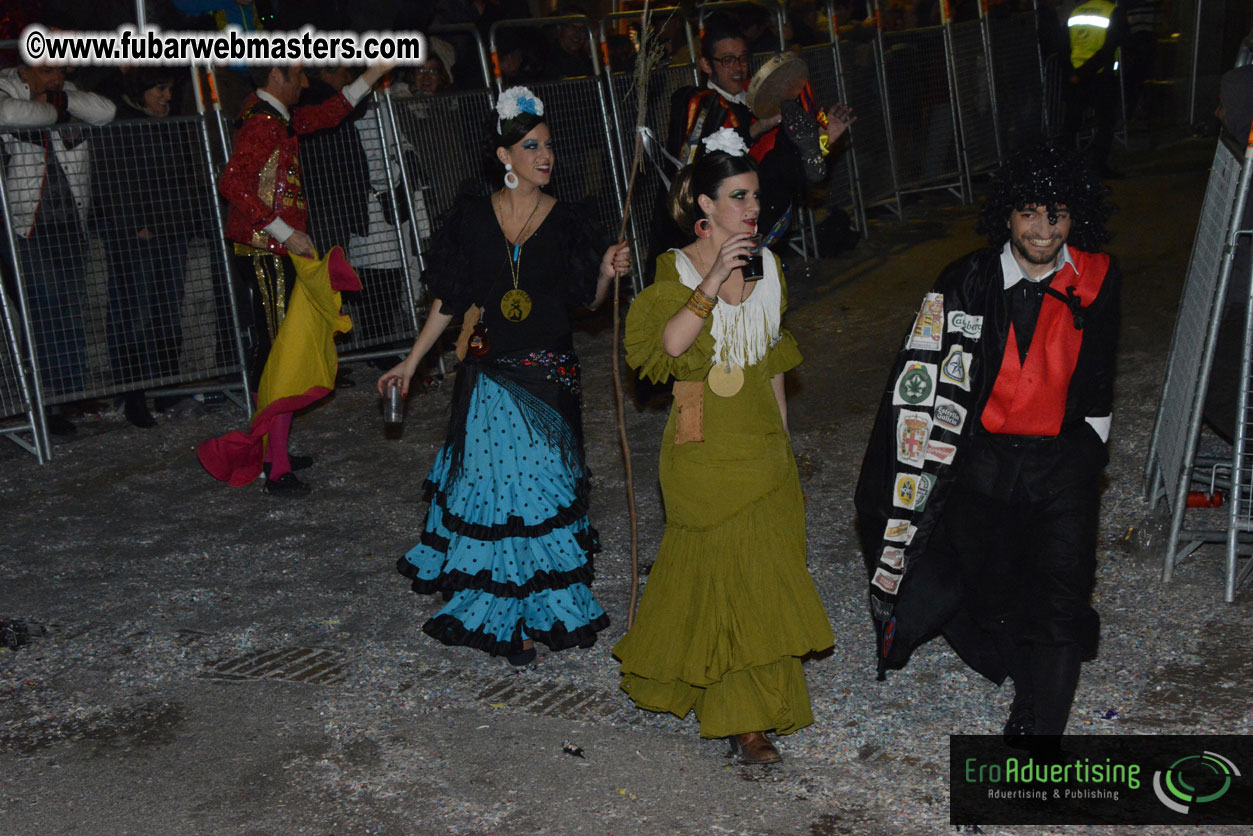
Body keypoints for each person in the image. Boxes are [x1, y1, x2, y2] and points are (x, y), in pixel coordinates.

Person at [854, 146, 1119, 754]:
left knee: (1060, 594)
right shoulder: (966, 278)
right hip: (985, 467)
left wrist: (1089, 455)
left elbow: (1101, 375)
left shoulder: (1100, 276)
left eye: (1056, 215)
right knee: (1000, 594)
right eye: (1029, 214)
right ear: (1006, 216)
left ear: (1075, 218)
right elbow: (917, 380)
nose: (1043, 231)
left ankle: (1038, 733)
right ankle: (1024, 689)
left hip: (1064, 464)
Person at [380, 87, 630, 665]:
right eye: (531, 146)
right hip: (488, 376)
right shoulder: (471, 217)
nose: (545, 157)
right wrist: (413, 362)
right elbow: (452, 297)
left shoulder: (569, 220)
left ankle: (545, 606)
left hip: (547, 375)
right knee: (496, 497)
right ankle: (501, 610)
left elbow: (584, 304)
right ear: (504, 156)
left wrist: (605, 274)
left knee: (540, 494)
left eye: (549, 147)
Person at [614, 129, 834, 765]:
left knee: (762, 580)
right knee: (725, 582)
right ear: (704, 207)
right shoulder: (676, 272)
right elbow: (671, 349)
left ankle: (762, 705)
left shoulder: (769, 271)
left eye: (756, 196)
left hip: (762, 449)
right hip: (705, 452)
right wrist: (712, 277)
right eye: (738, 197)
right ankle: (744, 723)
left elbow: (770, 367)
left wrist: (786, 450)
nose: (752, 209)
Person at [216, 60, 391, 495]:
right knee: (283, 354)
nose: (306, 81)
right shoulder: (263, 122)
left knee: (282, 350)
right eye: (298, 74)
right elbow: (232, 183)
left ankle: (274, 453)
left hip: (270, 250)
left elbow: (328, 113)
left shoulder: (273, 116)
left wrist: (371, 76)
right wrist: (285, 232)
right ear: (276, 76)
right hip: (266, 251)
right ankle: (273, 466)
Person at [0, 60, 116, 436]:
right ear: (23, 70)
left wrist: (58, 99)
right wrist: (54, 108)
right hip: (25, 223)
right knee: (44, 305)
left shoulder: (69, 96)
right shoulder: (7, 89)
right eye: (48, 70)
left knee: (70, 304)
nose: (56, 78)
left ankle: (69, 392)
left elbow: (107, 111)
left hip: (70, 221)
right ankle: (45, 397)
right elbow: (9, 112)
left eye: (61, 72)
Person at [92, 67, 210, 428]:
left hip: (170, 230)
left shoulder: (167, 122)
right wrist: (134, 225)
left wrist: (181, 219)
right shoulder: (118, 122)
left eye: (169, 89)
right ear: (141, 89)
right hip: (138, 235)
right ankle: (133, 393)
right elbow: (112, 181)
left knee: (167, 312)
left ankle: (165, 387)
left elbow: (182, 176)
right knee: (134, 313)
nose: (167, 96)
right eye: (160, 89)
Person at [1062, 0, 1127, 178]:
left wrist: (1074, 73)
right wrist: (1086, 71)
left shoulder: (1076, 11)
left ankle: (1063, 167)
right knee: (1105, 122)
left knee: (1072, 122)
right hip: (1101, 76)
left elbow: (1064, 44)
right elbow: (1110, 46)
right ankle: (1097, 166)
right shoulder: (1113, 11)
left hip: (1076, 76)